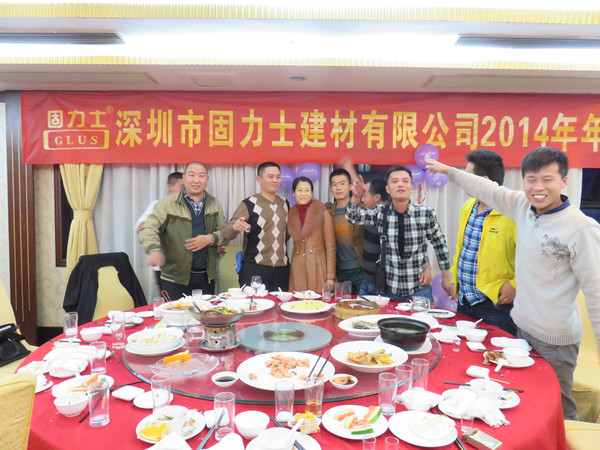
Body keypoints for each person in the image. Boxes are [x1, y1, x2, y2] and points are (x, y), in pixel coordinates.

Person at [425, 147, 600, 420]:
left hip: (555, 340)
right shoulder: (522, 207)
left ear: (564, 181)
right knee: (522, 402)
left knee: (557, 408)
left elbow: (596, 293)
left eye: (547, 179)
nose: (538, 188)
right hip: (521, 330)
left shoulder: (581, 228)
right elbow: (486, 188)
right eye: (531, 179)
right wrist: (449, 171)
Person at [346, 165, 452, 302]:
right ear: (388, 189)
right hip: (390, 290)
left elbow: (440, 245)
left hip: (419, 288)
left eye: (405, 181)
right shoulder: (380, 212)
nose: (400, 185)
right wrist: (356, 197)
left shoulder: (425, 213)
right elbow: (353, 217)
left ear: (411, 188)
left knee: (423, 317)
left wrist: (445, 277)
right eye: (395, 181)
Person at [451, 149, 518, 336]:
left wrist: (515, 285)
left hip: (495, 304)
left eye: (467, 175)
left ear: (484, 181)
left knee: (497, 351)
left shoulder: (511, 212)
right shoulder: (469, 206)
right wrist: (456, 281)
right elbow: (462, 247)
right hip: (465, 300)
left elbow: (532, 257)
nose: (462, 180)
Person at [139, 162, 226, 299]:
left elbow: (224, 232)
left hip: (206, 278)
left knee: (206, 312)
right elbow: (148, 228)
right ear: (184, 178)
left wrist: (211, 239)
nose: (196, 180)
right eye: (192, 175)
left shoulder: (214, 203)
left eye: (201, 176)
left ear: (207, 179)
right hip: (174, 279)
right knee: (175, 312)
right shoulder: (167, 203)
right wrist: (153, 249)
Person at [223, 162, 290, 291]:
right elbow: (227, 233)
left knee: (280, 303)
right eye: (270, 176)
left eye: (278, 177)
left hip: (281, 269)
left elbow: (286, 235)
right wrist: (235, 227)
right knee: (254, 303)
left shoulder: (285, 203)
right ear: (259, 179)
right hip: (255, 268)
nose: (275, 180)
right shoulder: (249, 204)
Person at [135, 171, 183, 288]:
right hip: (165, 267)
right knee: (170, 299)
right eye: (181, 186)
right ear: (170, 187)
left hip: (189, 268)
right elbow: (140, 227)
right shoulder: (158, 205)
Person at [287, 176, 336, 292]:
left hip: (318, 265)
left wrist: (330, 277)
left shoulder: (323, 213)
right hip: (297, 266)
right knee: (297, 301)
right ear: (293, 193)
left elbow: (330, 246)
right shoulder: (291, 214)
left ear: (312, 193)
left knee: (318, 301)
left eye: (307, 190)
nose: (303, 194)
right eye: (300, 190)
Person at [325, 168, 365, 294]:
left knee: (363, 304)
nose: (338, 188)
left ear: (350, 187)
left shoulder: (362, 209)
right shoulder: (328, 212)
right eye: (334, 184)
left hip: (361, 269)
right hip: (339, 271)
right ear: (330, 189)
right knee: (342, 304)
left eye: (342, 184)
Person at [358, 178, 389, 296]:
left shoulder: (390, 217)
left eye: (365, 196)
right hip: (366, 280)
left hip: (382, 284)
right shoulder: (368, 215)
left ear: (377, 197)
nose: (362, 200)